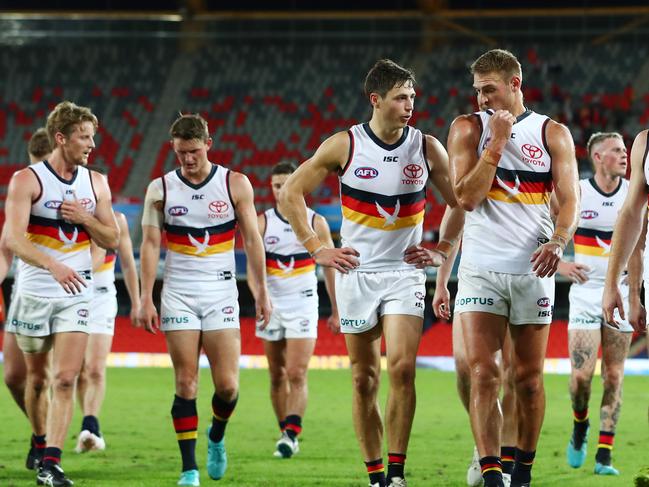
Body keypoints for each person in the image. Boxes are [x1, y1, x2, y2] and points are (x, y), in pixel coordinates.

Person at [281, 59, 464, 487]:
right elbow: (291, 193)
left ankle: (397, 474)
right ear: (375, 99)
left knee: (401, 369)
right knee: (364, 379)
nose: (410, 105)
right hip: (356, 274)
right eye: (401, 97)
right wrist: (317, 248)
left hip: (404, 274)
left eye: (413, 97)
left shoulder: (426, 146)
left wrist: (442, 250)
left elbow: (462, 202)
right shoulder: (344, 145)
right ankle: (376, 475)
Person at [447, 49, 579, 487]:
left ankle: (521, 473)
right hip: (481, 269)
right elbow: (466, 197)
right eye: (477, 90)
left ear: (515, 84)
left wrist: (559, 241)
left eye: (490, 89)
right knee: (484, 373)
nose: (482, 97)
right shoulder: (466, 129)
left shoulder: (552, 133)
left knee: (527, 380)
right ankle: (490, 475)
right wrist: (498, 143)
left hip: (533, 272)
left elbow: (570, 202)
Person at [138, 113, 271, 487]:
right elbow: (149, 244)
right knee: (186, 383)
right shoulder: (160, 189)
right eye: (181, 153)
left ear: (208, 145)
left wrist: (260, 291)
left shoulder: (235, 184)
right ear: (174, 149)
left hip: (221, 293)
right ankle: (188, 468)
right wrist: (145, 297)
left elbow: (252, 240)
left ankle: (216, 436)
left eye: (194, 151)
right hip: (178, 293)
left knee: (227, 386)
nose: (188, 159)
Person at [4, 101, 119, 486]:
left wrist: (86, 218)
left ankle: (50, 464)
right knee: (36, 380)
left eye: (92, 137)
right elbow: (13, 239)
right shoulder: (27, 180)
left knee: (66, 378)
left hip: (78, 293)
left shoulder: (96, 182)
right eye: (84, 137)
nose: (91, 144)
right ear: (61, 138)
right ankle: (40, 442)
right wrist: (52, 265)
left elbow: (112, 238)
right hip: (35, 292)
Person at [553, 132, 632, 476]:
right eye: (616, 150)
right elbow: (542, 232)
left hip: (622, 293)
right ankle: (580, 423)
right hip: (585, 294)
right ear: (598, 157)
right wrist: (561, 264)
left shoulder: (634, 193)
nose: (625, 154)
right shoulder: (579, 192)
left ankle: (604, 455)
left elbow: (641, 245)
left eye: (625, 149)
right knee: (581, 379)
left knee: (614, 376)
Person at [251, 161, 338, 459]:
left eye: (287, 183)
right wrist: (260, 296)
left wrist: (336, 308)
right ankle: (285, 431)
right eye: (276, 185)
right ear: (272, 188)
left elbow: (330, 270)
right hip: (271, 304)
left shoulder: (316, 223)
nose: (281, 190)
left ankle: (290, 433)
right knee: (276, 375)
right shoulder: (262, 222)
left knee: (296, 372)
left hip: (303, 302)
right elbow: (253, 268)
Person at [432, 238, 517, 487]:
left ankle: (506, 464)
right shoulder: (468, 198)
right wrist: (441, 283)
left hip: (520, 274)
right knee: (465, 368)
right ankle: (484, 437)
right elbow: (453, 228)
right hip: (475, 278)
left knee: (512, 374)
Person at [0, 127, 52, 471]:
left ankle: (53, 447)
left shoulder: (81, 188)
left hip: (72, 292)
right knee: (15, 376)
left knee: (55, 377)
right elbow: (7, 246)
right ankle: (42, 435)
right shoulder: (25, 188)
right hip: (27, 291)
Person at [74, 210, 140, 453]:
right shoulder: (72, 217)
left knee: (94, 367)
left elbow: (128, 265)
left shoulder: (118, 220)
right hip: (73, 296)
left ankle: (89, 424)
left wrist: (137, 301)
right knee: (78, 372)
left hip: (101, 298)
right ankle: (89, 428)